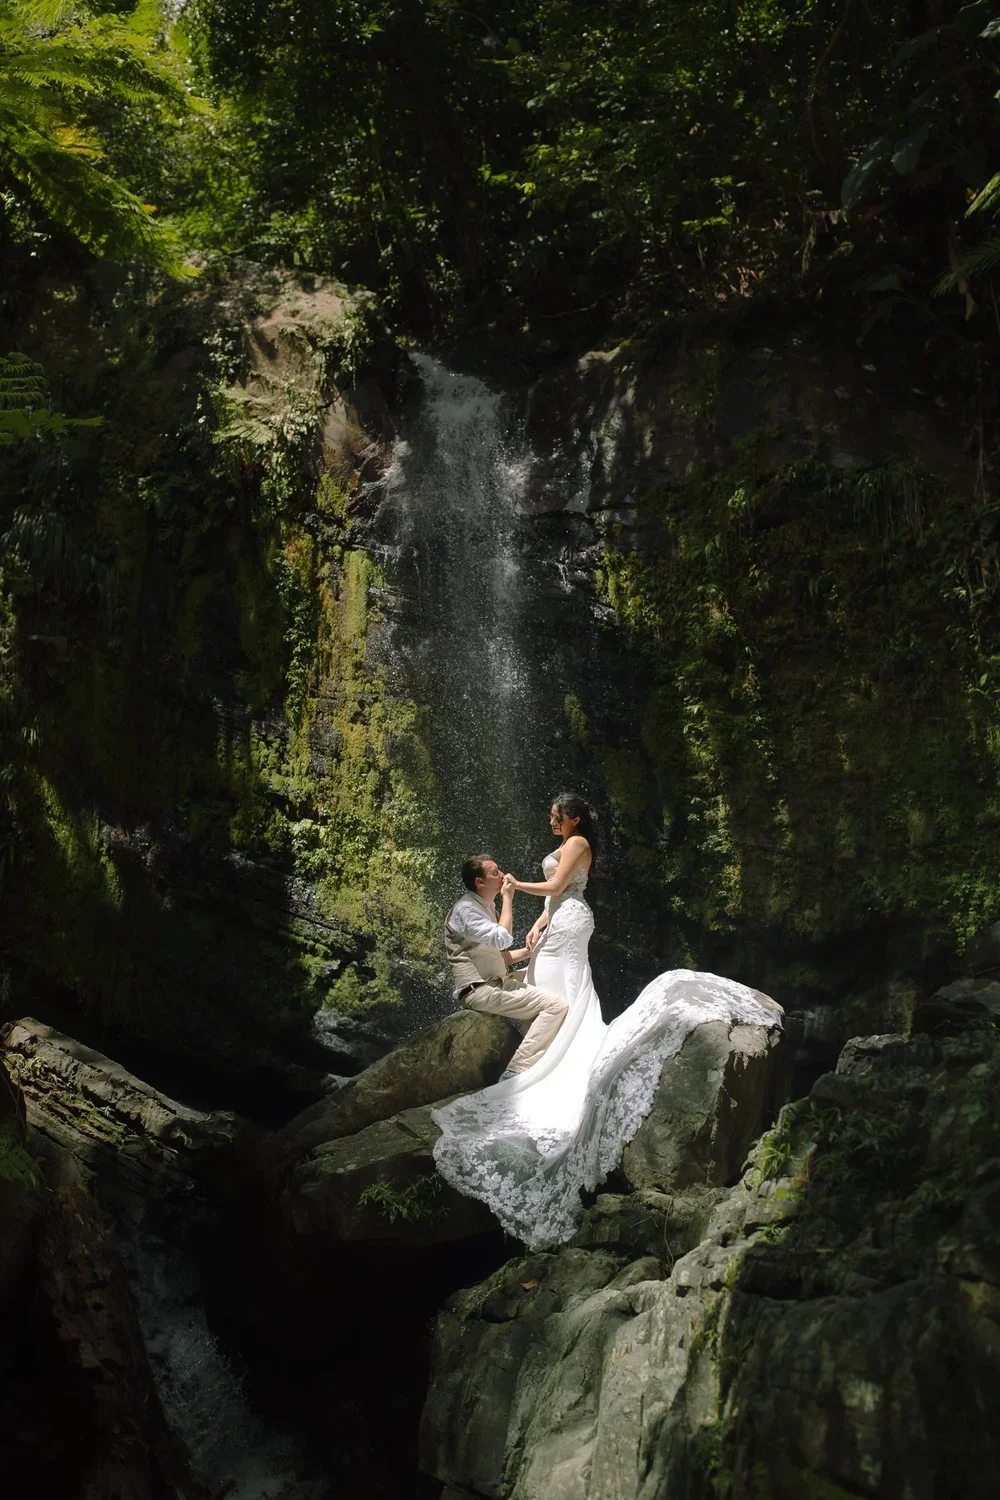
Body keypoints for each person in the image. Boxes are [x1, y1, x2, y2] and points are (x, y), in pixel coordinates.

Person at [433, 794, 782, 1250]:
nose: (552, 821)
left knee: (563, 997)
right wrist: (540, 919)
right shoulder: (564, 846)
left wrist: (518, 889)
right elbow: (554, 896)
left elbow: (559, 886)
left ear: (574, 818)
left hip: (572, 919)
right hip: (557, 920)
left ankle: (545, 1067)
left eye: (557, 816)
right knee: (551, 990)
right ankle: (542, 1061)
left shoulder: (578, 842)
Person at [445, 853, 568, 1077]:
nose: (502, 875)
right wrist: (508, 898)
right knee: (556, 1006)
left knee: (546, 971)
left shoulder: (486, 907)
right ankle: (515, 1071)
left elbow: (501, 957)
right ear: (480, 882)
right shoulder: (466, 910)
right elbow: (502, 939)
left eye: (500, 870)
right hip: (481, 989)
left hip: (496, 981)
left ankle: (538, 1045)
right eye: (495, 873)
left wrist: (535, 951)